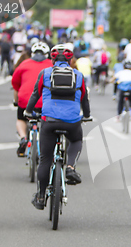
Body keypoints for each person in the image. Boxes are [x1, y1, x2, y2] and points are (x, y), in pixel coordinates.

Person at [26, 43, 91, 210]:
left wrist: (28, 112)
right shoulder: (78, 75)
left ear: (52, 58)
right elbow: (84, 99)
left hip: (49, 120)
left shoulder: (45, 73)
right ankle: (70, 167)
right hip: (72, 121)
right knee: (76, 140)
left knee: (45, 160)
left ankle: (40, 197)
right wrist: (87, 115)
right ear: (70, 60)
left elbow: (35, 95)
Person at [11, 42, 53, 157]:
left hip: (26, 101)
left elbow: (15, 85)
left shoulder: (24, 64)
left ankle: (23, 137)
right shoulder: (52, 65)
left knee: (21, 118)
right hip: (46, 102)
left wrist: (16, 101)